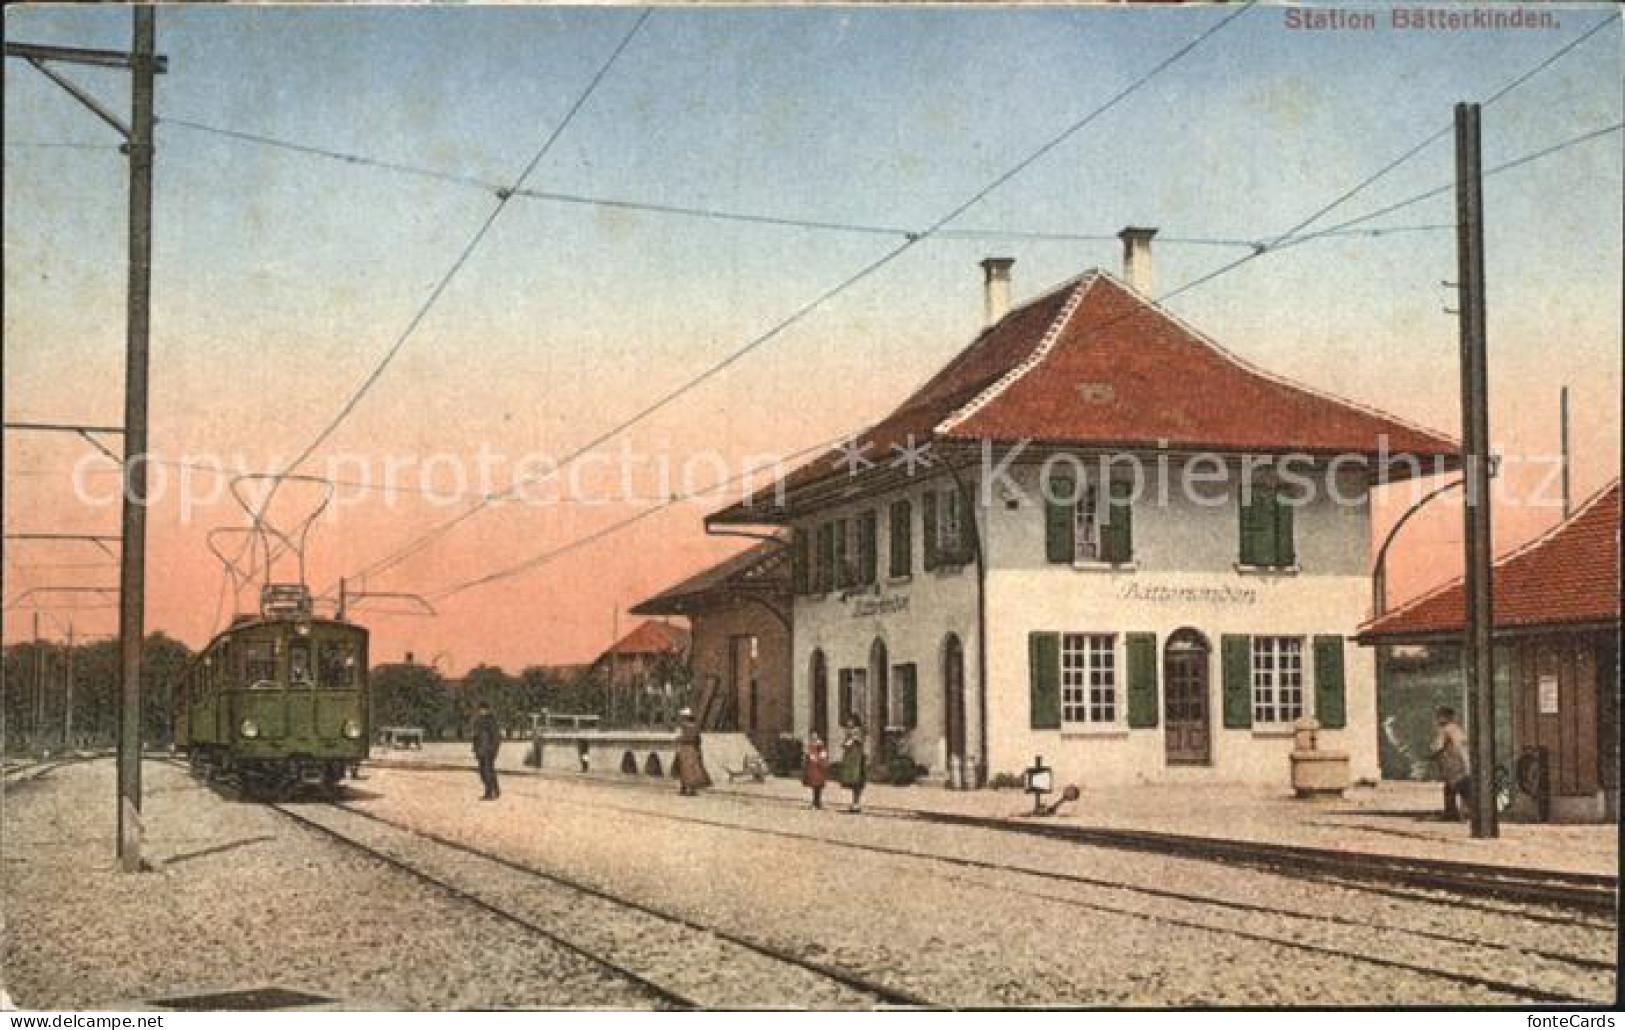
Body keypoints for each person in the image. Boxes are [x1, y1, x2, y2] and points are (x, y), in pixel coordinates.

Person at [1429, 706, 1471, 821]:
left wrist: (1431, 755)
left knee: (1451, 789)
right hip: (1465, 763)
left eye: (1439, 716)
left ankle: (1452, 813)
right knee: (1463, 789)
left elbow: (1437, 747)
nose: (1437, 719)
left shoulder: (1445, 729)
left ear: (1445, 717)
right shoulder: (1457, 729)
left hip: (1453, 763)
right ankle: (1465, 813)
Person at [674, 707, 711, 796]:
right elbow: (698, 740)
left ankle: (684, 788)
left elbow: (677, 738)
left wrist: (678, 745)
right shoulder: (695, 727)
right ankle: (691, 789)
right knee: (692, 769)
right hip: (693, 749)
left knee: (684, 768)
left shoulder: (681, 727)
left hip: (684, 748)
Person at [471, 701, 502, 801]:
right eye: (480, 710)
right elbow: (476, 737)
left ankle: (490, 792)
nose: (480, 711)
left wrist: (493, 749)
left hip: (488, 750)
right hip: (481, 750)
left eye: (482, 710)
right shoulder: (479, 720)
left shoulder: (490, 720)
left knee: (487, 771)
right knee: (484, 771)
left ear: (486, 710)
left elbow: (496, 737)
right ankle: (495, 790)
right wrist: (475, 749)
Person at [837, 716, 867, 813]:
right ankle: (855, 803)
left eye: (850, 721)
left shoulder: (857, 732)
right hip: (851, 761)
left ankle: (856, 803)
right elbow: (845, 744)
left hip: (857, 761)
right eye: (848, 721)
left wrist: (848, 742)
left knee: (857, 782)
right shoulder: (849, 732)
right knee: (854, 783)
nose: (848, 723)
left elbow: (852, 743)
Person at [802, 731, 829, 809]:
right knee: (814, 785)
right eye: (812, 735)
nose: (813, 736)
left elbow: (823, 754)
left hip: (818, 766)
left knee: (818, 784)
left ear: (817, 736)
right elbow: (808, 753)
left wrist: (819, 759)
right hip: (812, 766)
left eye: (815, 735)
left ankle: (817, 802)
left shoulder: (820, 744)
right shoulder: (811, 744)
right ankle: (815, 802)